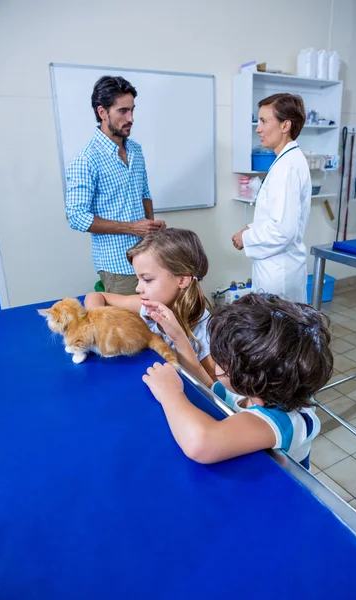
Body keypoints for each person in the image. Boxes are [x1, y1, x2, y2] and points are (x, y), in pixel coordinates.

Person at [142, 293, 333, 468]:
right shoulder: (255, 390)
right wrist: (178, 337)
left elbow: (200, 444)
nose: (214, 360)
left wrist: (170, 394)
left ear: (243, 377)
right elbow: (209, 387)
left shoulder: (283, 421)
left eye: (219, 360)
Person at [66, 75, 166, 295]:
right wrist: (131, 227)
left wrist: (150, 228)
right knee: (128, 328)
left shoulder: (136, 151)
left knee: (152, 323)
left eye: (132, 110)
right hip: (117, 266)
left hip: (147, 256)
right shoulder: (86, 159)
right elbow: (76, 216)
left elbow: (144, 193)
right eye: (123, 111)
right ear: (102, 112)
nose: (130, 118)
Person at [84, 228, 216, 384]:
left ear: (182, 280)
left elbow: (213, 388)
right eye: (138, 279)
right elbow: (95, 296)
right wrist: (100, 320)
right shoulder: (145, 305)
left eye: (147, 279)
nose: (138, 288)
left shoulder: (205, 329)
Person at [232, 93, 311, 303]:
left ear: (285, 125)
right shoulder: (286, 160)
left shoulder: (287, 167)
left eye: (264, 121)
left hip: (279, 273)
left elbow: (283, 230)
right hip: (277, 267)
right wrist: (251, 227)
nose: (258, 128)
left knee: (279, 333)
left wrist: (245, 238)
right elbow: (277, 216)